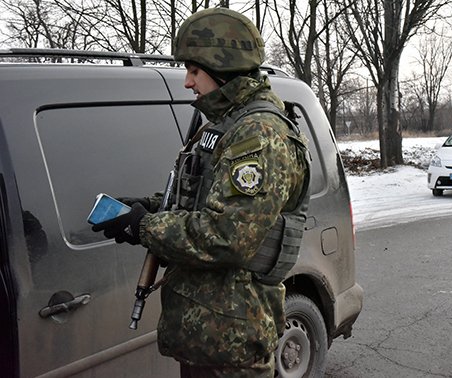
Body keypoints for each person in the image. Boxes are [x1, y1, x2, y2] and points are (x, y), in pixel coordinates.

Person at [92, 7, 310, 377]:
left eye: (193, 71)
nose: (187, 82)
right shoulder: (223, 126)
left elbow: (228, 236)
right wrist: (142, 210)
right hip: (206, 336)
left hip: (233, 343)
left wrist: (148, 228)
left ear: (222, 69)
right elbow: (197, 197)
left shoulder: (259, 134)